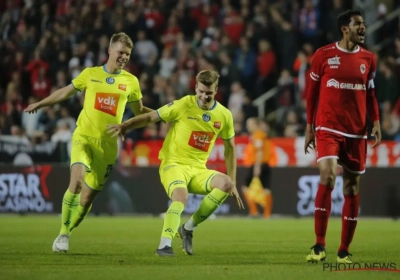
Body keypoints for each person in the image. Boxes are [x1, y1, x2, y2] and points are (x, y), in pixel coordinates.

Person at [24, 32, 152, 253]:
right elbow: (65, 92)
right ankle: (63, 233)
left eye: (128, 54)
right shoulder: (90, 74)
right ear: (110, 50)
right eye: (121, 52)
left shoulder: (131, 82)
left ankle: (69, 230)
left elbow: (139, 112)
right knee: (76, 182)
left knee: (86, 197)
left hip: (109, 146)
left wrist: (167, 115)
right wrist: (42, 103)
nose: (124, 57)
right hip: (83, 137)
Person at [107, 70, 245, 257]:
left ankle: (188, 228)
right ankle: (165, 245)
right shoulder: (183, 105)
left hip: (197, 170)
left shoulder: (224, 115)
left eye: (209, 93)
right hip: (173, 164)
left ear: (216, 90)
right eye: (201, 91)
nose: (204, 96)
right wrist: (125, 125)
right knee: (181, 196)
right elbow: (150, 117)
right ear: (196, 87)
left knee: (226, 184)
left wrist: (233, 180)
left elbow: (230, 148)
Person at [304, 10, 381, 264]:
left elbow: (370, 93)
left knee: (351, 186)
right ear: (345, 29)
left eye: (364, 24)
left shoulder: (369, 59)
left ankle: (344, 249)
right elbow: (312, 92)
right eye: (358, 24)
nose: (363, 28)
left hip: (356, 131)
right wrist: (309, 126)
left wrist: (377, 122)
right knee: (327, 176)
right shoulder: (323, 55)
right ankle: (318, 245)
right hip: (327, 127)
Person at [241, 117, 274, 218]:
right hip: (265, 164)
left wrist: (257, 166)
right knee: (266, 189)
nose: (248, 126)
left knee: (245, 187)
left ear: (256, 125)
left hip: (258, 164)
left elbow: (259, 151)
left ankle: (254, 212)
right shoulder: (260, 135)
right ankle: (266, 215)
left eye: (250, 124)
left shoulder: (258, 135)